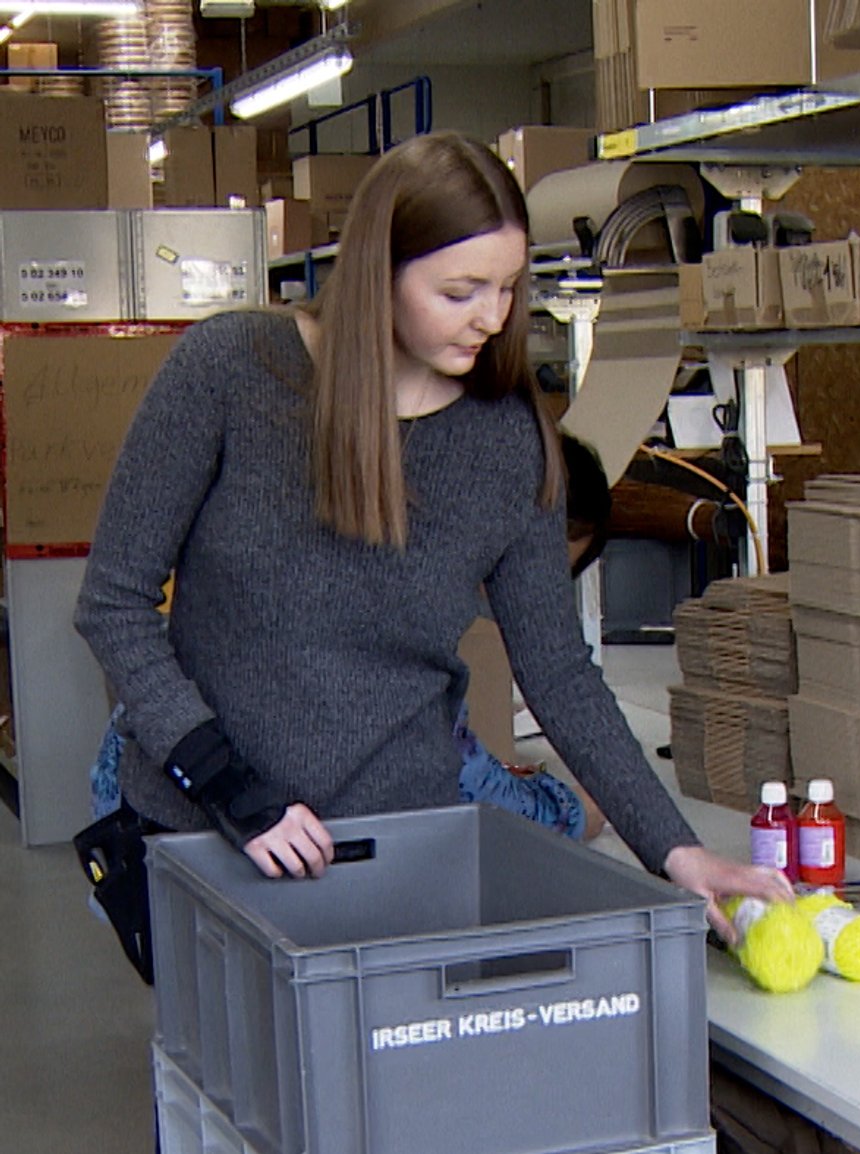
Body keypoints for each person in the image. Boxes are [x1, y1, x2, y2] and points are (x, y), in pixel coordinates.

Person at [73, 133, 788, 963]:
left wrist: (674, 847)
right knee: (230, 1091)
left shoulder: (508, 443)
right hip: (205, 843)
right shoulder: (232, 373)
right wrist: (232, 789)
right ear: (381, 274)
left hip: (400, 854)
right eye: (460, 290)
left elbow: (558, 672)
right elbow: (115, 604)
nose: (492, 316)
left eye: (509, 289)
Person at [86, 432, 616, 843]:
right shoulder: (390, 591)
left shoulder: (371, 524)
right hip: (205, 821)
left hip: (159, 782)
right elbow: (458, 781)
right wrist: (575, 813)